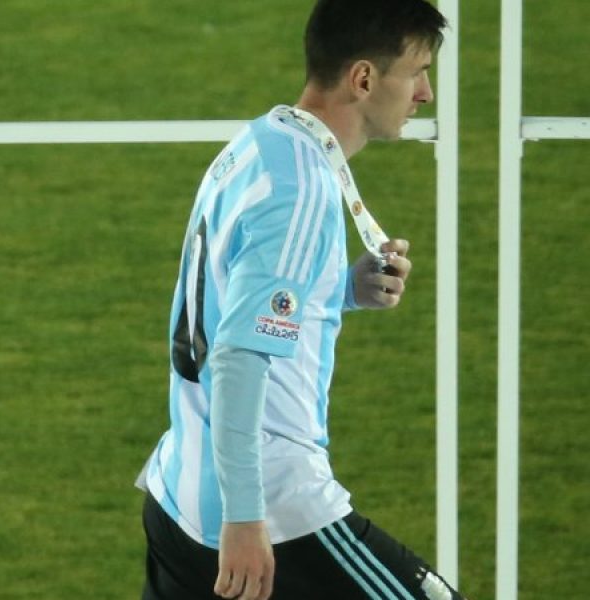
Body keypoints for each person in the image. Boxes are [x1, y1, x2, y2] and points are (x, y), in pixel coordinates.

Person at [136, 1, 464, 599]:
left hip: (178, 492)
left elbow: (229, 295)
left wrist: (340, 289)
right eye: (417, 72)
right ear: (363, 79)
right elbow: (238, 356)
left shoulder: (259, 144)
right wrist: (244, 518)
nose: (426, 93)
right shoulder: (301, 188)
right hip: (268, 508)